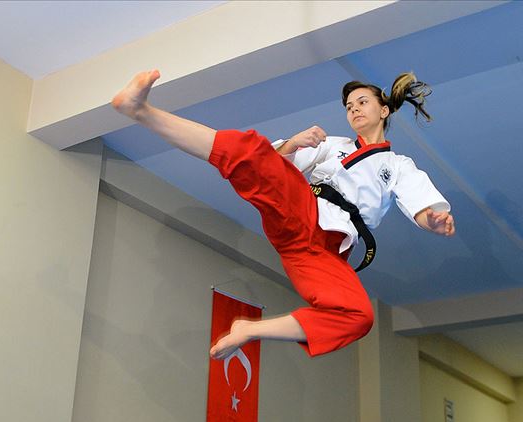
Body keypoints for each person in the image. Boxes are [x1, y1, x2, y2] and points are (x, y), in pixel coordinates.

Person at [112, 70, 455, 360]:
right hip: (303, 209)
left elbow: (420, 204)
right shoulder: (332, 145)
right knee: (249, 152)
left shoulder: (397, 165)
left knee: (359, 316)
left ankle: (250, 330)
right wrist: (293, 142)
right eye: (349, 106)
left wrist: (433, 219)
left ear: (384, 110)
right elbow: (273, 163)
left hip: (325, 252)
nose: (354, 110)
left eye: (362, 102)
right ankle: (141, 110)